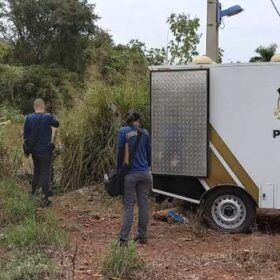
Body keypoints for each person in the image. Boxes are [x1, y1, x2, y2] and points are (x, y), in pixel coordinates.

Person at [117, 110, 152, 245]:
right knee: (143, 204)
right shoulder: (145, 133)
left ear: (128, 119)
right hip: (145, 174)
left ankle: (123, 239)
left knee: (128, 206)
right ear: (139, 120)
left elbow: (120, 151)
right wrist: (148, 166)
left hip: (130, 174)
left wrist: (119, 169)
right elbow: (149, 152)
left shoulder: (123, 132)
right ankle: (142, 236)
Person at [23, 99, 59, 207]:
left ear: (34, 107)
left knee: (36, 171)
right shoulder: (48, 116)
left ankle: (33, 194)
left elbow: (25, 135)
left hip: (34, 150)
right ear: (43, 106)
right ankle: (45, 199)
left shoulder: (28, 118)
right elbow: (57, 124)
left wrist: (26, 149)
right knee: (45, 172)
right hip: (45, 150)